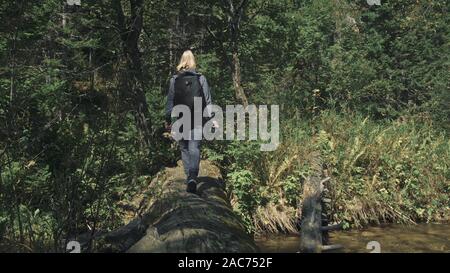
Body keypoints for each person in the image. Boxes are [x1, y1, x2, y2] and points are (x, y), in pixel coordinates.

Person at [165, 50, 218, 194]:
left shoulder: (174, 80)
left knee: (184, 148)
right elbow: (207, 101)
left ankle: (189, 176)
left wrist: (169, 120)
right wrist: (213, 119)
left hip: (180, 118)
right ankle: (193, 177)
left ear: (181, 61)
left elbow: (170, 101)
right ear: (194, 61)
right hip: (198, 118)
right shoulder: (201, 79)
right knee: (195, 147)